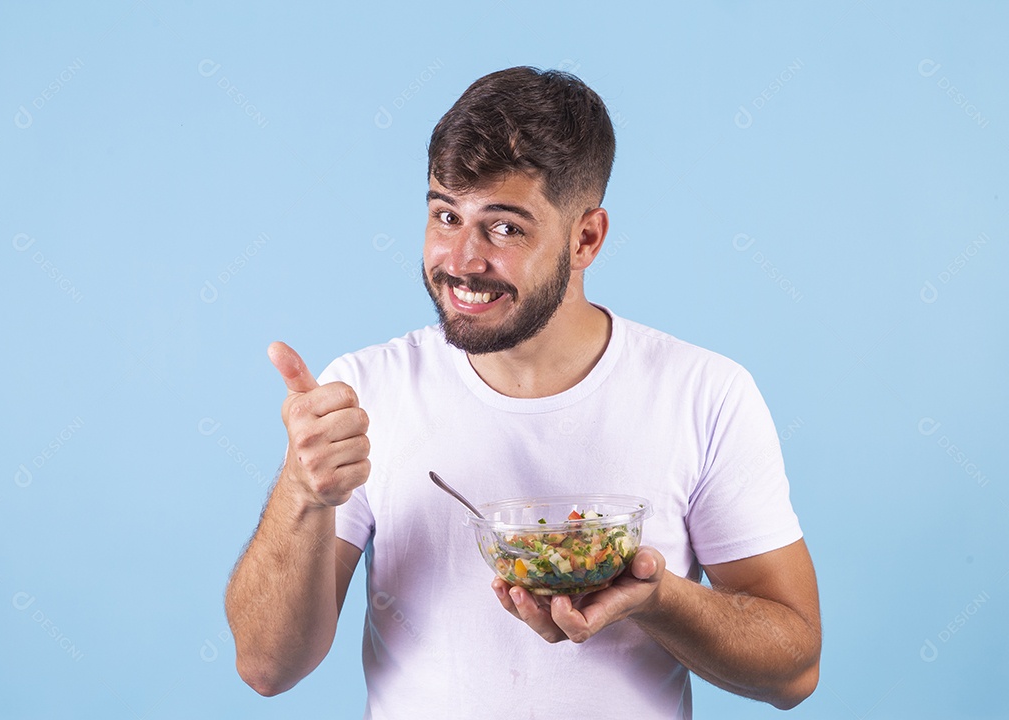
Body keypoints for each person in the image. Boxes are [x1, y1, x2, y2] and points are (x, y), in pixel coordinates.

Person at [225, 66, 821, 719]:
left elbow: (793, 672)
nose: (461, 261)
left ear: (586, 238)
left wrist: (656, 599)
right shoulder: (366, 391)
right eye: (446, 215)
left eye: (504, 227)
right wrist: (303, 492)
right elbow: (266, 667)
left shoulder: (705, 394)